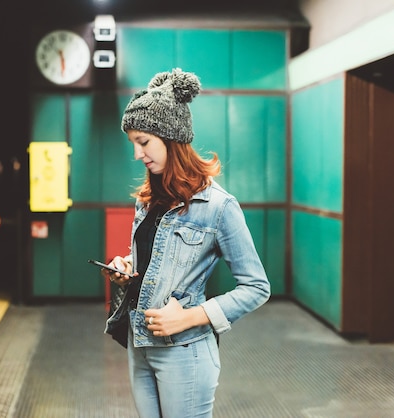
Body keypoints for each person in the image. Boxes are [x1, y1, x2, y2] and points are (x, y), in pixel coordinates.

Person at [102, 68, 271, 418]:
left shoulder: (219, 207)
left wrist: (191, 317)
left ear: (171, 137)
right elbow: (154, 264)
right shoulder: (147, 200)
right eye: (133, 143)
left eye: (144, 142)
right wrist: (128, 269)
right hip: (140, 343)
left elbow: (257, 287)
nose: (137, 154)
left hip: (184, 351)